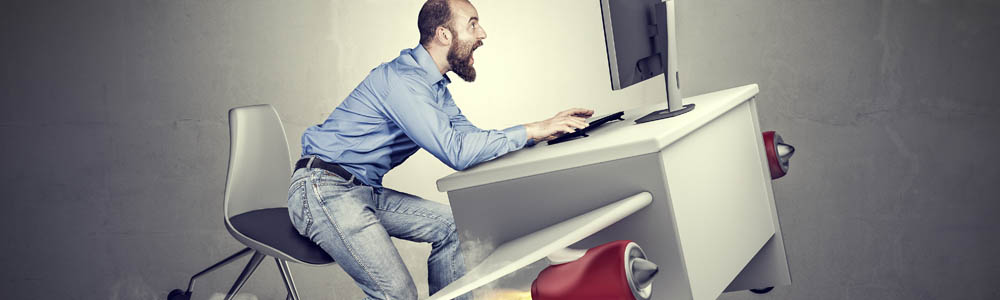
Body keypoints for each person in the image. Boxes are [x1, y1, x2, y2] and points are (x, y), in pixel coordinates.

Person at [286, 0, 593, 299]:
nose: (483, 33)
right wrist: (531, 129)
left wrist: (539, 133)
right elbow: (457, 152)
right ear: (444, 34)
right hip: (323, 188)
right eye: (472, 24)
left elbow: (472, 140)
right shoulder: (403, 80)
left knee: (453, 228)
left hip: (362, 190)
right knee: (397, 294)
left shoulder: (434, 88)